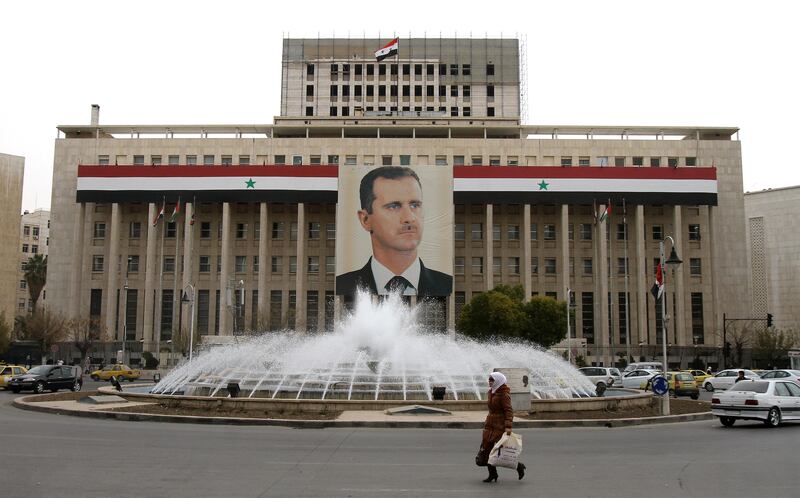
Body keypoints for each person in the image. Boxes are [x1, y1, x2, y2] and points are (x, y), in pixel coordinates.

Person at [336, 166, 452, 297]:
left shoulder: (447, 284)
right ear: (365, 219)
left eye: (415, 205)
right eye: (393, 206)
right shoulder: (343, 285)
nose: (409, 218)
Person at [479, 371, 525, 483]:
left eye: (492, 380)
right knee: (486, 451)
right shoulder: (491, 392)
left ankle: (519, 466)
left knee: (503, 452)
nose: (489, 382)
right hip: (490, 425)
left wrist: (508, 427)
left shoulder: (504, 394)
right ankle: (492, 474)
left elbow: (508, 411)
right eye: (489, 380)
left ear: (498, 381)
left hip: (500, 426)